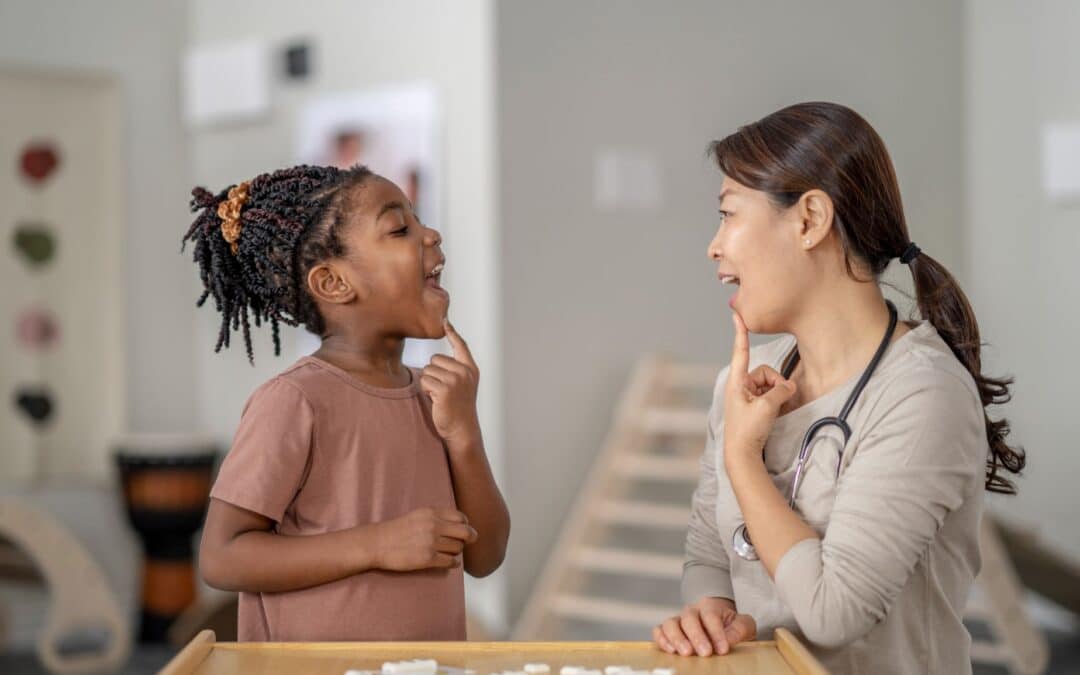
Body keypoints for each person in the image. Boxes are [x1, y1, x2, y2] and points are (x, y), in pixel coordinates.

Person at [654, 102, 1024, 674]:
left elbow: (834, 612)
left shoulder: (922, 396)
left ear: (809, 220)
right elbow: (709, 553)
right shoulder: (744, 384)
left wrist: (743, 460)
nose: (714, 245)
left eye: (728, 215)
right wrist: (709, 616)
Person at [182, 164, 510, 641]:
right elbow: (222, 556)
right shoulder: (294, 401)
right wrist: (377, 544)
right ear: (334, 283)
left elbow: (487, 555)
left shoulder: (436, 399)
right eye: (400, 228)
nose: (431, 235)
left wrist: (464, 432)